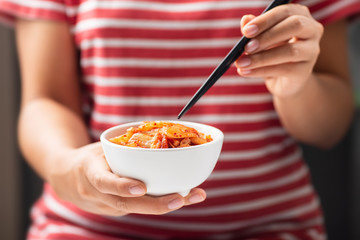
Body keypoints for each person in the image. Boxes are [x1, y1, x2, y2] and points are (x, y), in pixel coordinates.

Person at [1, 0, 360, 239]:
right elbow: (45, 100)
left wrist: (295, 86)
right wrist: (67, 166)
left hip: (266, 226)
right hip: (89, 227)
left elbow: (330, 129)